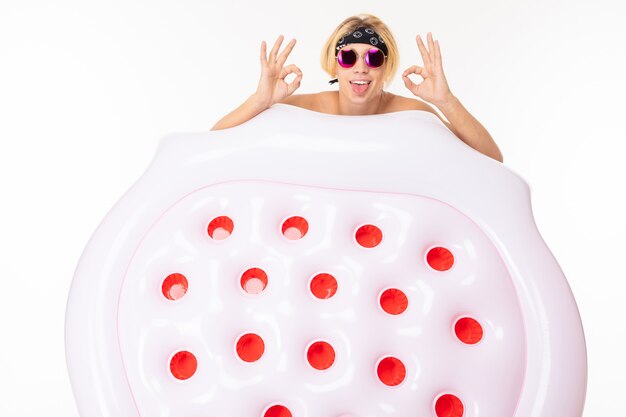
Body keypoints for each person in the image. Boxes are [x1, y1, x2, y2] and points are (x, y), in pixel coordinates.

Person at [211, 13, 503, 163]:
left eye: (373, 58)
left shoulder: (411, 113)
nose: (361, 68)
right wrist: (260, 101)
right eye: (348, 57)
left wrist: (446, 101)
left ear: (386, 66)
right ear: (335, 64)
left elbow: (491, 158)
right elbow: (214, 140)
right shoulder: (309, 109)